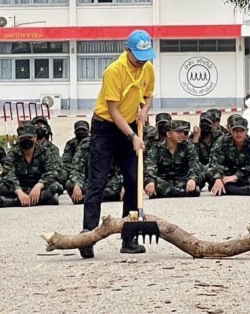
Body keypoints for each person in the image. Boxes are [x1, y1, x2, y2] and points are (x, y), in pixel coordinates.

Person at [81, 29, 156, 257]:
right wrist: (132, 137)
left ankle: (129, 238)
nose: (141, 62)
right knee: (98, 181)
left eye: (145, 57)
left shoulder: (148, 68)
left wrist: (145, 109)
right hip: (105, 128)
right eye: (138, 57)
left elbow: (148, 94)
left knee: (134, 180)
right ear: (127, 50)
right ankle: (88, 236)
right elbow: (113, 111)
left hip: (131, 125)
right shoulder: (114, 71)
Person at [0, 123, 63, 208]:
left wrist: (40, 185)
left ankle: (15, 202)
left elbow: (52, 171)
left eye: (29, 138)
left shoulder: (44, 152)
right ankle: (40, 200)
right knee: (2, 188)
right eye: (23, 138)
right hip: (20, 186)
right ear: (19, 139)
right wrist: (18, 191)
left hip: (38, 187)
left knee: (56, 186)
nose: (26, 141)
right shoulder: (13, 153)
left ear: (35, 137)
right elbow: (8, 173)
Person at [209, 114, 250, 196]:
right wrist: (218, 178)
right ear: (231, 131)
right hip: (227, 174)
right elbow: (216, 163)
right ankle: (242, 190)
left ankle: (229, 189)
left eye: (241, 131)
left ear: (247, 131)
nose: (238, 134)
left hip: (244, 174)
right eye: (235, 131)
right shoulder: (222, 141)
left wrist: (236, 176)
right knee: (209, 173)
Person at [144, 120, 202, 198]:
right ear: (169, 134)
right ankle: (181, 192)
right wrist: (150, 181)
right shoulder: (156, 148)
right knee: (151, 181)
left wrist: (192, 179)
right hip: (164, 181)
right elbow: (150, 166)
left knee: (200, 175)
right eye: (178, 132)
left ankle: (170, 192)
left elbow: (194, 164)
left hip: (182, 180)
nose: (182, 135)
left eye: (183, 132)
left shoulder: (188, 146)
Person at [67, 134, 123, 204]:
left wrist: (124, 185)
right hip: (91, 183)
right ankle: (104, 197)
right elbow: (76, 169)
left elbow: (121, 171)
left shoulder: (115, 144)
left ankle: (92, 197)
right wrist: (77, 184)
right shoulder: (85, 146)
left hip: (110, 183)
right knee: (70, 184)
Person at [31, 115, 65, 187]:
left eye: (43, 126)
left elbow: (57, 168)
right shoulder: (26, 145)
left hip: (46, 180)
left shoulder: (52, 148)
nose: (40, 128)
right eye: (37, 126)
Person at [193, 110, 222, 188]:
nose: (205, 125)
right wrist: (195, 140)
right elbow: (192, 157)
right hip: (200, 167)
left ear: (213, 124)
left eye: (208, 123)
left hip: (215, 166)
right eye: (202, 123)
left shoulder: (219, 136)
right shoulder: (194, 136)